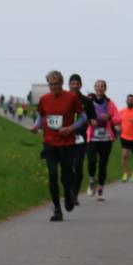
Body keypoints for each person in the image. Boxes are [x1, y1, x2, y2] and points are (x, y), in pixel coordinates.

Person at [30, 70, 87, 221]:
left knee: (66, 177)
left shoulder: (71, 97)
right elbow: (41, 115)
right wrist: (36, 126)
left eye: (56, 84)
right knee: (53, 174)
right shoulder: (44, 99)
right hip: (49, 142)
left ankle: (69, 193)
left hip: (67, 143)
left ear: (62, 83)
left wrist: (71, 128)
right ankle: (57, 210)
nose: (53, 87)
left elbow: (83, 117)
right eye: (51, 84)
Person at [86, 80, 120, 201]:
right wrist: (90, 120)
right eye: (97, 86)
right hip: (93, 137)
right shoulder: (89, 102)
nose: (99, 88)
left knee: (103, 165)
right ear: (94, 88)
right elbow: (83, 116)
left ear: (105, 88)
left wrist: (110, 117)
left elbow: (118, 118)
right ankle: (91, 181)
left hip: (106, 138)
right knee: (91, 161)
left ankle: (100, 189)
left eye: (101, 86)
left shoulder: (110, 103)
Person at [68, 74, 94, 205]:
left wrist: (93, 121)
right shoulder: (63, 98)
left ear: (81, 85)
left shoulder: (87, 101)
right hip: (65, 137)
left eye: (77, 83)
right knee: (68, 166)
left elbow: (91, 117)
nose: (75, 86)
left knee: (78, 166)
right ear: (69, 85)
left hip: (80, 137)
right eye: (72, 83)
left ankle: (75, 193)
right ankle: (69, 191)